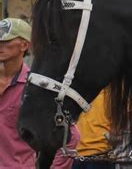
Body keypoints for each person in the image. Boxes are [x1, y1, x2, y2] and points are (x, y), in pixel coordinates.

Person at [0, 17, 80, 168]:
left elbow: (70, 136)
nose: (0, 45)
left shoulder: (36, 89)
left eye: (5, 40)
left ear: (24, 45)